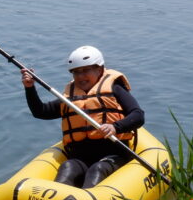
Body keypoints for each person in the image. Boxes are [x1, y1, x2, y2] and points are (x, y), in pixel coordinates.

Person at [20, 45, 144, 189]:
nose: (80, 76)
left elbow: (138, 115)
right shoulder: (70, 97)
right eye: (76, 72)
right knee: (68, 167)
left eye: (86, 70)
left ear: (100, 69)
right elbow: (40, 112)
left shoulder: (115, 89)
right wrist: (29, 88)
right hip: (80, 157)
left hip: (114, 154)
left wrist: (115, 127)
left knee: (97, 170)